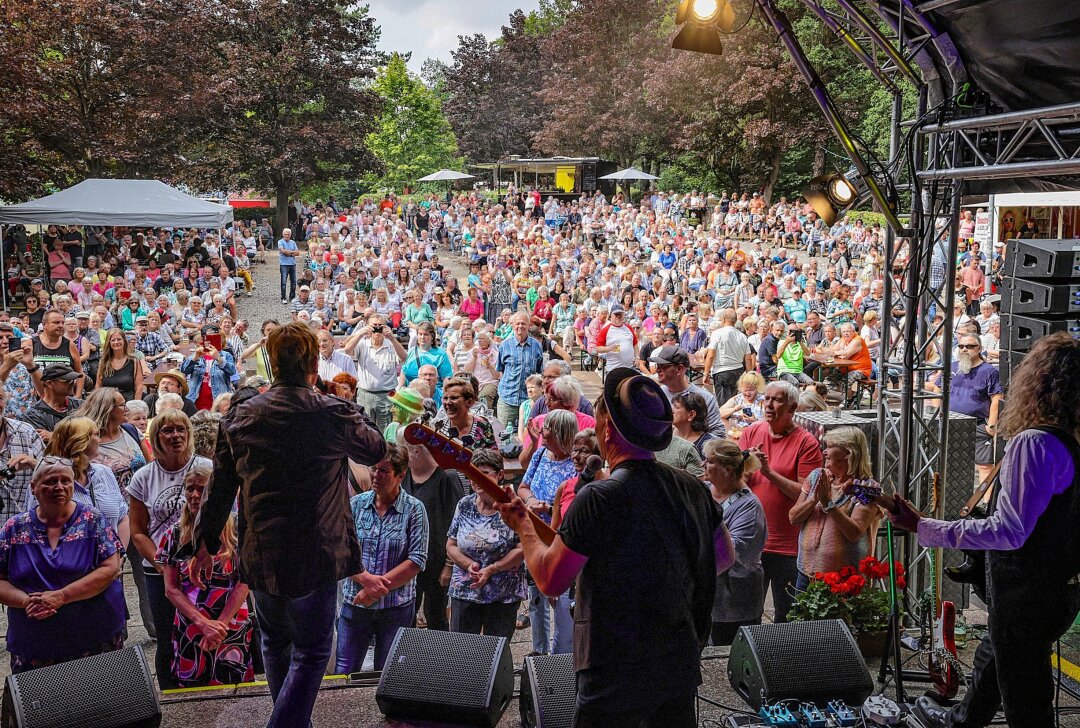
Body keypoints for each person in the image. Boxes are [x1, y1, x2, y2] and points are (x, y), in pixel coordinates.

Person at [496, 369, 734, 726]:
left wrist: (524, 526)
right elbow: (724, 555)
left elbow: (550, 580)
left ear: (607, 428)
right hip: (676, 660)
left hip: (612, 665)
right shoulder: (692, 488)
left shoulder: (599, 497)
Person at [191, 322, 386, 728]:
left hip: (262, 550)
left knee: (275, 644)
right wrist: (344, 405)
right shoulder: (332, 413)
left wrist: (205, 542)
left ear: (271, 363)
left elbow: (221, 487)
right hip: (317, 550)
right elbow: (375, 449)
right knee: (313, 651)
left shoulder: (241, 416)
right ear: (315, 363)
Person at [891, 334, 1080, 728]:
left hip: (1025, 590)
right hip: (1057, 586)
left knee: (1027, 702)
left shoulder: (1034, 443)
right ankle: (962, 718)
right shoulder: (1071, 441)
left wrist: (924, 525)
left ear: (1037, 381)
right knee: (996, 657)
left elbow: (1010, 530)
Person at [0, 456, 126, 673]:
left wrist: (61, 596)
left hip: (94, 635)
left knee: (99, 700)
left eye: (65, 481)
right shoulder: (14, 528)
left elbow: (111, 568)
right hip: (34, 641)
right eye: (50, 482)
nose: (59, 487)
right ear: (33, 487)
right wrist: (30, 601)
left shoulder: (91, 520)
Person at [127, 410, 208, 688]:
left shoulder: (207, 468)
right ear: (156, 437)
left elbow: (226, 520)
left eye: (181, 429)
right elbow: (138, 531)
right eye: (168, 430)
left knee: (206, 631)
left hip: (204, 567)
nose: (176, 435)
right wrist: (163, 565)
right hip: (158, 570)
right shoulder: (143, 477)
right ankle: (172, 694)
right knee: (167, 636)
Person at [158, 460, 253, 687]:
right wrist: (202, 623)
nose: (194, 494)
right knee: (192, 690)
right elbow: (171, 589)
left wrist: (219, 624)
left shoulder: (238, 533)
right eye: (190, 488)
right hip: (192, 623)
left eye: (202, 489)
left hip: (230, 624)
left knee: (235, 690)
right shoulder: (175, 534)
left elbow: (245, 582)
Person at [336, 443, 428, 672]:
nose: (376, 475)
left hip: (396, 607)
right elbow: (341, 549)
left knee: (388, 673)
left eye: (384, 470)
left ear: (400, 474)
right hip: (355, 603)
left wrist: (376, 589)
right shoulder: (355, 505)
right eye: (373, 469)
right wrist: (366, 581)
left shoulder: (414, 509)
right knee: (344, 670)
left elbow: (416, 559)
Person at [738, 380, 823, 622]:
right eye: (767, 399)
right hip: (753, 541)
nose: (770, 405)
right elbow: (738, 482)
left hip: (788, 545)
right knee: (747, 615)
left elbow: (805, 494)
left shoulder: (806, 443)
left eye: (777, 400)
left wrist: (768, 472)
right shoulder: (751, 432)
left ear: (792, 408)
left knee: (786, 617)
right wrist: (741, 467)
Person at [517, 409, 578, 656]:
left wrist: (550, 507)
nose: (542, 430)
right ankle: (538, 650)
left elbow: (574, 500)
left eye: (548, 427)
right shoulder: (541, 454)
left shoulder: (575, 463)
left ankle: (560, 654)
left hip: (559, 538)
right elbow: (523, 486)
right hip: (534, 533)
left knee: (560, 600)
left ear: (561, 432)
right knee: (536, 595)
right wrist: (531, 501)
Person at [446, 448, 526, 638]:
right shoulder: (464, 504)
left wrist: (492, 569)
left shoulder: (512, 506)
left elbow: (522, 548)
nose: (476, 480)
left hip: (503, 593)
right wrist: (469, 565)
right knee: (462, 653)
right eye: (473, 474)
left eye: (484, 474)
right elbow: (451, 545)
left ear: (500, 475)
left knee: (495, 654)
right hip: (465, 590)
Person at [789, 427, 880, 589]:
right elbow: (793, 518)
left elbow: (855, 533)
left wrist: (828, 504)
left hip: (843, 581)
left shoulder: (866, 488)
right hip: (805, 573)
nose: (824, 452)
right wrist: (814, 500)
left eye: (830, 446)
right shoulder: (817, 476)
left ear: (848, 453)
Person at [401, 435, 468, 633]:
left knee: (436, 614)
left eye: (406, 450)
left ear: (418, 451)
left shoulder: (447, 477)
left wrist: (448, 566)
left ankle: (438, 659)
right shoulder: (405, 475)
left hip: (437, 561)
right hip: (409, 560)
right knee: (407, 614)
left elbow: (457, 525)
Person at [703, 439, 766, 646]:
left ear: (728, 470)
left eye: (710, 461)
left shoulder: (748, 505)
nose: (704, 465)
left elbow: (731, 553)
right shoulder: (704, 490)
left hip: (735, 603)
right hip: (708, 599)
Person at [946, 334, 1004, 484]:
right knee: (951, 465)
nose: (965, 349)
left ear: (979, 349)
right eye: (961, 346)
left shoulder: (989, 371)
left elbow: (997, 398)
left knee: (984, 466)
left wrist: (991, 426)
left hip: (977, 425)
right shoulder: (951, 367)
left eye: (970, 346)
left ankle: (985, 504)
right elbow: (938, 390)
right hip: (950, 424)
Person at [343, 314, 406, 431]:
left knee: (386, 430)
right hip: (365, 394)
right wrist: (361, 333)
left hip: (387, 395)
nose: (377, 329)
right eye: (374, 326)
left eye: (380, 326)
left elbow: (403, 357)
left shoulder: (391, 345)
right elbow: (347, 350)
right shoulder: (362, 344)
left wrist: (392, 338)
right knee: (365, 430)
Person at [650, 345, 724, 435]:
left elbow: (718, 433)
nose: (657, 370)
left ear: (679, 369)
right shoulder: (656, 395)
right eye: (657, 365)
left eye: (663, 366)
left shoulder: (705, 398)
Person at [496, 312, 544, 435]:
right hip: (507, 398)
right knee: (504, 436)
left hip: (529, 400)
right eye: (517, 323)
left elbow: (539, 372)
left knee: (529, 436)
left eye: (523, 323)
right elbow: (500, 370)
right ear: (512, 325)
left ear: (528, 325)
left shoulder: (537, 346)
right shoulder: (504, 345)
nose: (520, 326)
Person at [21, 363, 83, 440]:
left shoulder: (81, 405)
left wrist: (55, 437)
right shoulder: (33, 416)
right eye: (67, 380)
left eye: (73, 380)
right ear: (49, 383)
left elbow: (90, 435)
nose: (73, 384)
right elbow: (43, 447)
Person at [33, 310, 85, 397]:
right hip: (39, 399)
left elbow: (80, 373)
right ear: (44, 324)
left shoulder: (70, 345)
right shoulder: (31, 344)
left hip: (66, 399)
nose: (61, 325)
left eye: (62, 322)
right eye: (56, 322)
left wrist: (78, 397)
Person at [400, 322, 453, 406]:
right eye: (420, 334)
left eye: (426, 334)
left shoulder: (441, 355)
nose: (422, 337)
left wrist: (446, 396)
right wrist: (400, 390)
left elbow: (447, 378)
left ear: (432, 337)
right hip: (412, 396)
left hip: (433, 397)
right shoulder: (410, 352)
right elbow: (403, 373)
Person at [96, 328, 143, 401]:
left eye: (119, 339)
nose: (116, 342)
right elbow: (98, 386)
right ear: (109, 343)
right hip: (108, 404)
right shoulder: (103, 362)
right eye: (113, 340)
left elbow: (139, 387)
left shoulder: (134, 361)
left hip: (128, 404)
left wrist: (135, 406)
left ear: (124, 341)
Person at [278, 228, 299, 304]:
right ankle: (283, 297)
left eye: (288, 234)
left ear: (290, 235)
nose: (287, 235)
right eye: (286, 234)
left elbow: (298, 253)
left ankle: (292, 297)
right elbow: (283, 251)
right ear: (283, 234)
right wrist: (292, 253)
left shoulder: (293, 242)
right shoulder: (280, 242)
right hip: (284, 264)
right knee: (283, 282)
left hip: (292, 264)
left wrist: (288, 253)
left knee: (293, 282)